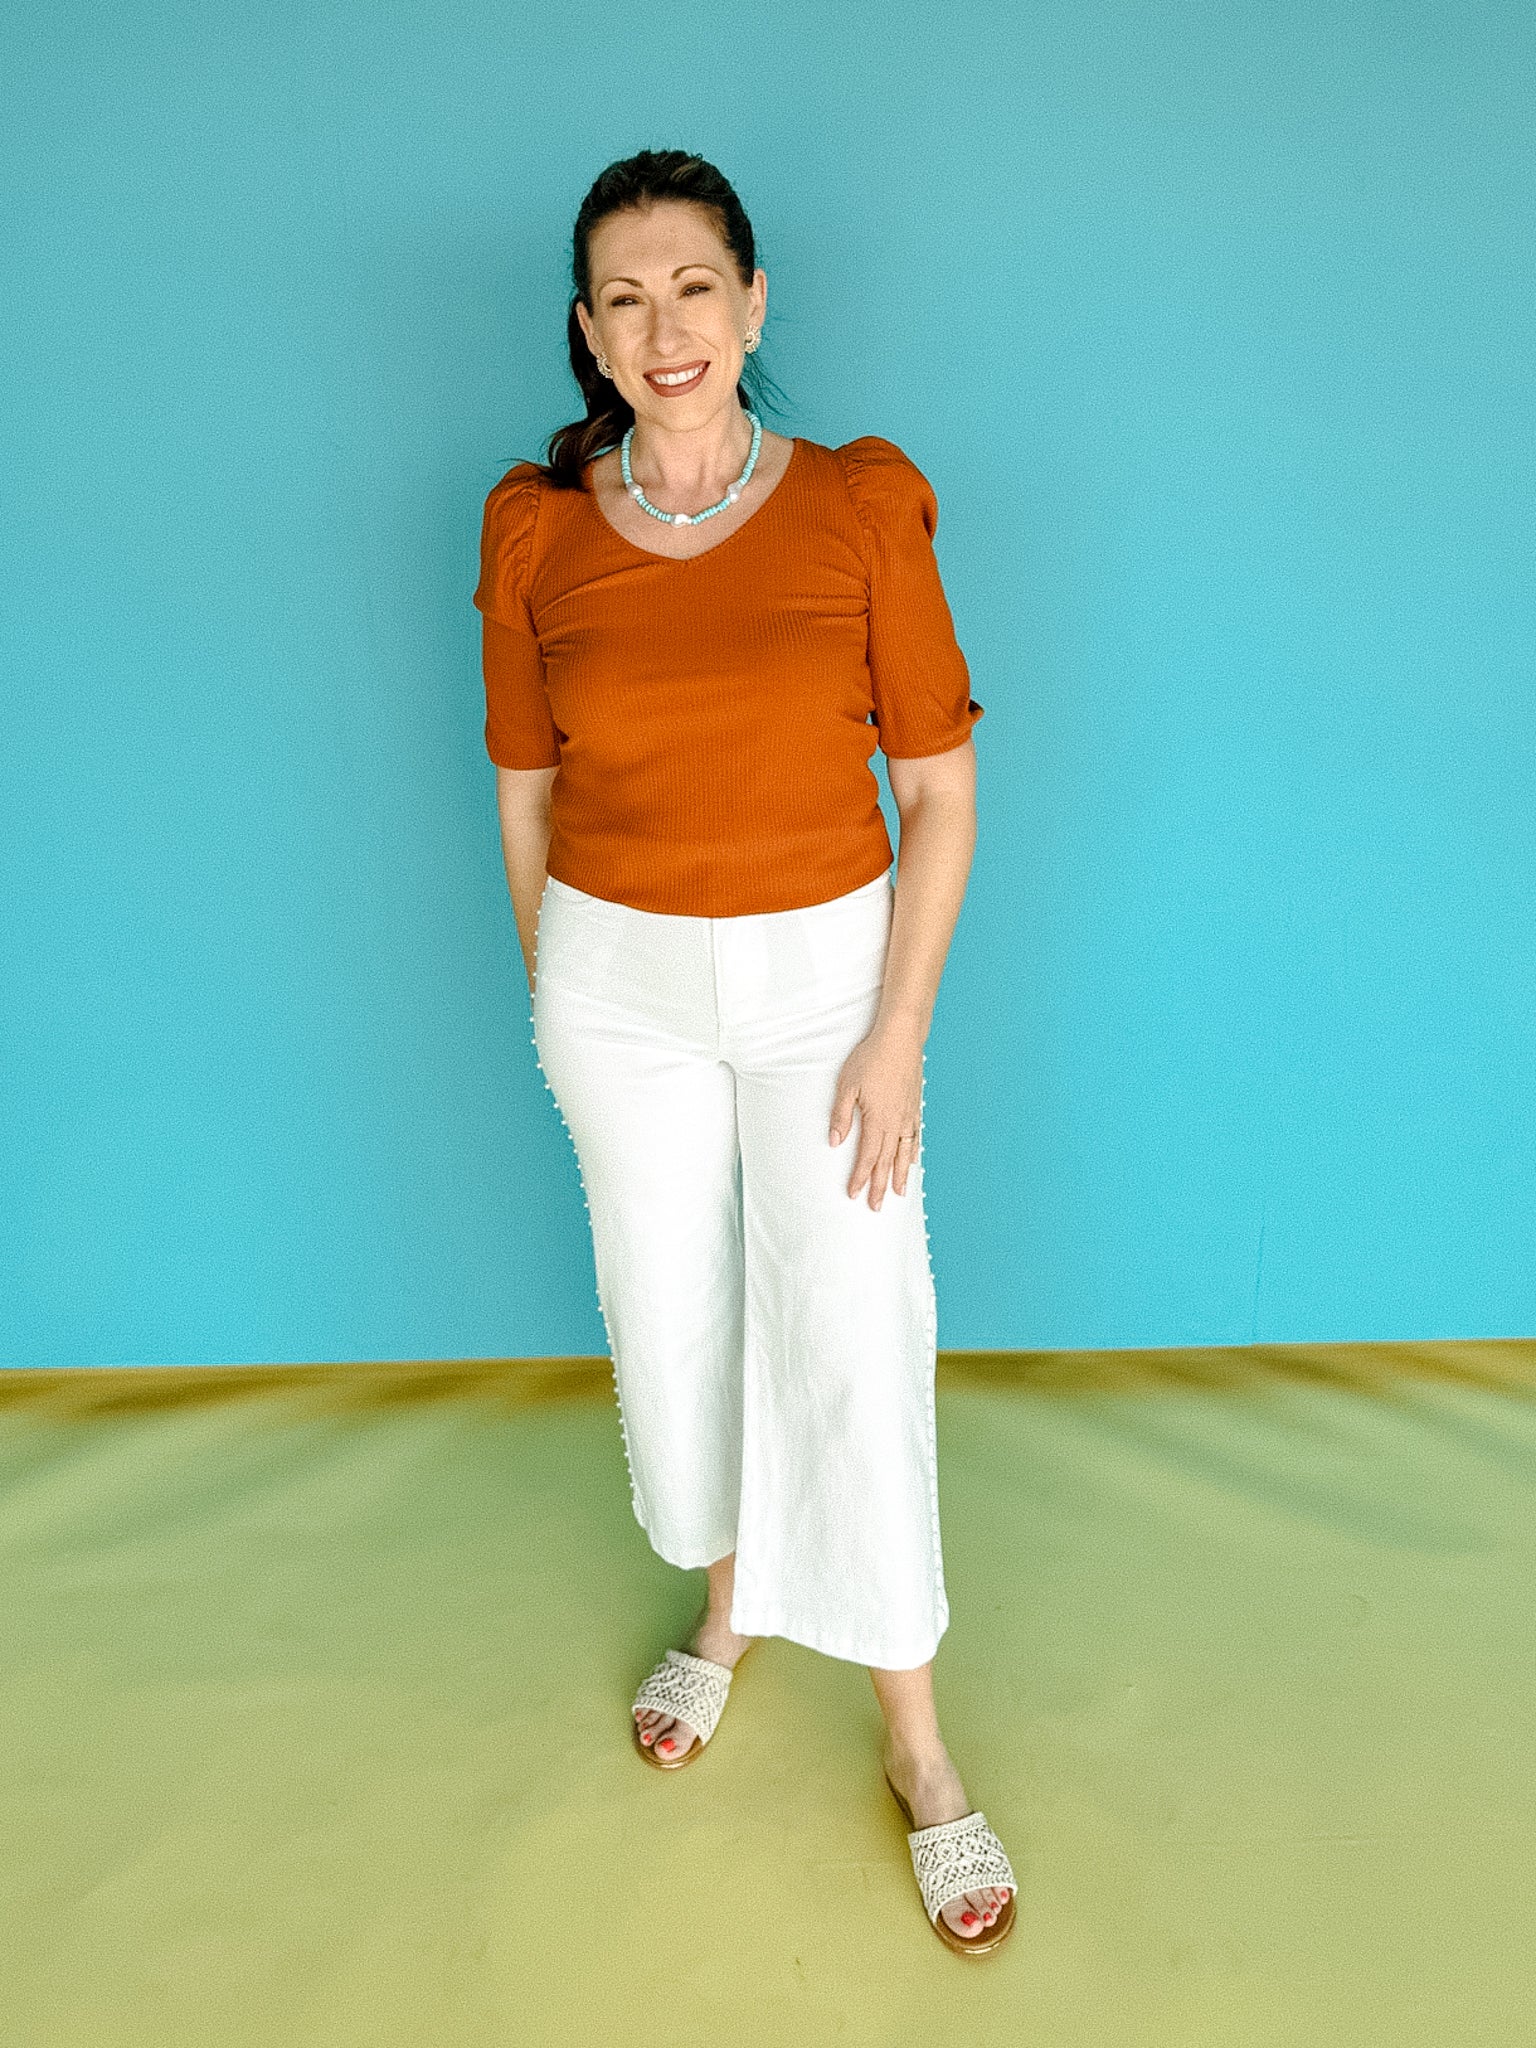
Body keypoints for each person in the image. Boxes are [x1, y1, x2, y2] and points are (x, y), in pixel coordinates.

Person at [474, 148, 1016, 1954]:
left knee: (851, 1326)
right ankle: (727, 1611)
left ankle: (915, 1738)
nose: (665, 327)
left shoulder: (859, 507)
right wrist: (563, 987)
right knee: (671, 1313)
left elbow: (940, 794)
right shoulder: (535, 532)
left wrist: (896, 1032)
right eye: (626, 298)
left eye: (694, 285)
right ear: (588, 332)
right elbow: (525, 792)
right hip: (614, 987)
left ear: (754, 300)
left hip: (824, 990)